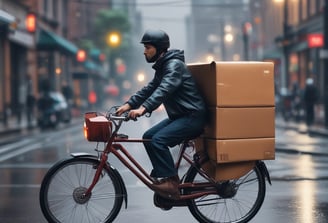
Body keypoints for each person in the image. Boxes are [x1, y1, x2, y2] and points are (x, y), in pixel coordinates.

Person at [116, 29, 207, 200]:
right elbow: (149, 89)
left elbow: (164, 89)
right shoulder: (163, 66)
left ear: (160, 49)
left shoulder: (173, 66)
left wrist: (143, 108)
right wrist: (127, 105)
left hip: (192, 116)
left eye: (148, 47)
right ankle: (166, 178)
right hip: (181, 116)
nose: (144, 51)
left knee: (158, 141)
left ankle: (171, 183)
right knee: (149, 136)